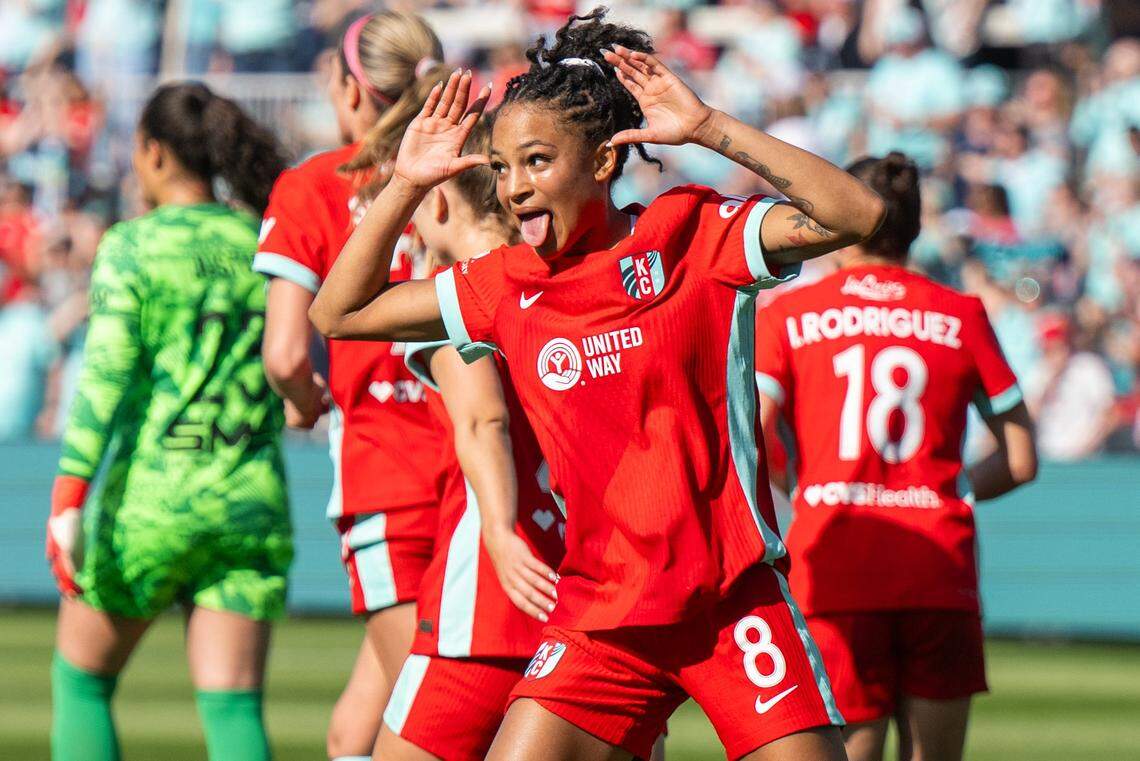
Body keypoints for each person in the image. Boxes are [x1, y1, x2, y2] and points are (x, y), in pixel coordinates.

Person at [310, 9, 886, 760]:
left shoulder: (692, 234)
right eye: (503, 168)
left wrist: (710, 127)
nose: (515, 187)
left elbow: (855, 213)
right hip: (600, 616)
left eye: (538, 162)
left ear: (604, 163)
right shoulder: (504, 285)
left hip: (729, 601)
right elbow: (338, 312)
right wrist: (407, 183)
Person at [754, 152, 1038, 761]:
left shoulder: (790, 314)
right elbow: (1020, 457)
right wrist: (951, 491)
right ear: (913, 226)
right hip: (938, 563)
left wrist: (795, 494)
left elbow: (753, 433)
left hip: (833, 562)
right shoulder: (960, 314)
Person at [46, 82, 290, 761]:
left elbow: (106, 375)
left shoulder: (135, 244)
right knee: (234, 705)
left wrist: (68, 495)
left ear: (153, 153)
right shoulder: (260, 236)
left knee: (81, 681)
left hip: (154, 501)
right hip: (249, 498)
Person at [253, 11, 450, 760]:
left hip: (388, 480)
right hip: (483, 473)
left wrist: (307, 404)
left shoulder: (314, 185)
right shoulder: (470, 177)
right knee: (356, 728)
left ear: (350, 87)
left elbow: (283, 353)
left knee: (437, 721)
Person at [376, 117, 565, 760]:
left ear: (438, 198)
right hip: (585, 598)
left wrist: (501, 532)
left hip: (485, 605)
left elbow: (483, 417)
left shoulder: (449, 296)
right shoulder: (564, 281)